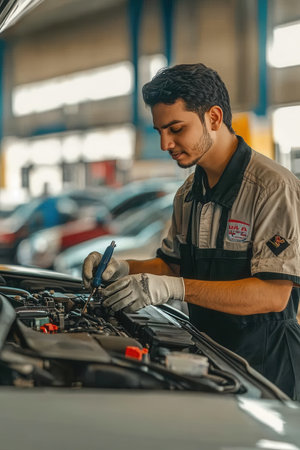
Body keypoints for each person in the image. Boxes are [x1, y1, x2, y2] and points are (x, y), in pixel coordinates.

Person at [82, 63, 300, 400]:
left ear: (213, 118)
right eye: (159, 131)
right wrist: (123, 268)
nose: (166, 143)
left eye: (176, 128)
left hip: (267, 371)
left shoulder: (271, 188)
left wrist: (175, 288)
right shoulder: (188, 193)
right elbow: (172, 265)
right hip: (210, 360)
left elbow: (273, 295)